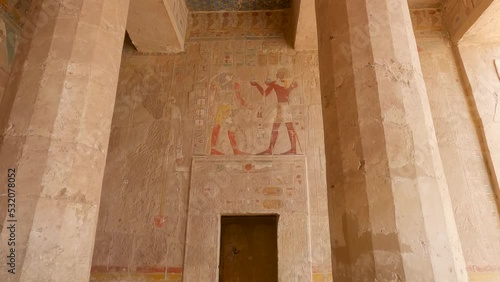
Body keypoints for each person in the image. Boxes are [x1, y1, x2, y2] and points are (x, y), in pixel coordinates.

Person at [250, 68, 299, 155]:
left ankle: (291, 149)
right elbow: (264, 93)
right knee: (277, 128)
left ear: (283, 74)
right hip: (282, 107)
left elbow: (288, 91)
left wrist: (291, 85)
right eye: (277, 73)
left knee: (286, 128)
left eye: (278, 73)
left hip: (285, 108)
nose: (276, 75)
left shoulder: (282, 83)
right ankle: (272, 149)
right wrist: (257, 84)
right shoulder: (276, 84)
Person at [209, 72, 251, 155]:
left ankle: (213, 149)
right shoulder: (234, 85)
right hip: (225, 108)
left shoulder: (221, 86)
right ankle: (234, 150)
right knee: (230, 128)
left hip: (221, 108)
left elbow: (213, 97)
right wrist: (248, 105)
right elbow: (239, 98)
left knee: (217, 126)